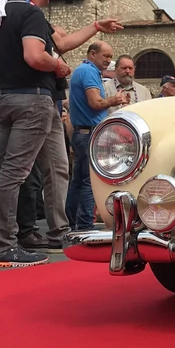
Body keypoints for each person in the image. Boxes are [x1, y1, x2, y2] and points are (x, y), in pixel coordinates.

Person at [0, 0, 72, 266]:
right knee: (14, 174)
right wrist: (57, 64)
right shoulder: (31, 13)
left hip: (3, 98)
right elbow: (34, 55)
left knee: (0, 173)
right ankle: (4, 247)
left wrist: (8, 83)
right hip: (32, 100)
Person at [66, 42, 127, 232]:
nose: (109, 61)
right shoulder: (89, 72)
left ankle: (72, 222)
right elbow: (95, 103)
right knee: (89, 181)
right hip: (89, 133)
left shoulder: (82, 71)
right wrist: (114, 100)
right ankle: (84, 225)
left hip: (82, 132)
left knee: (78, 180)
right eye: (106, 56)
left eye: (110, 57)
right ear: (93, 54)